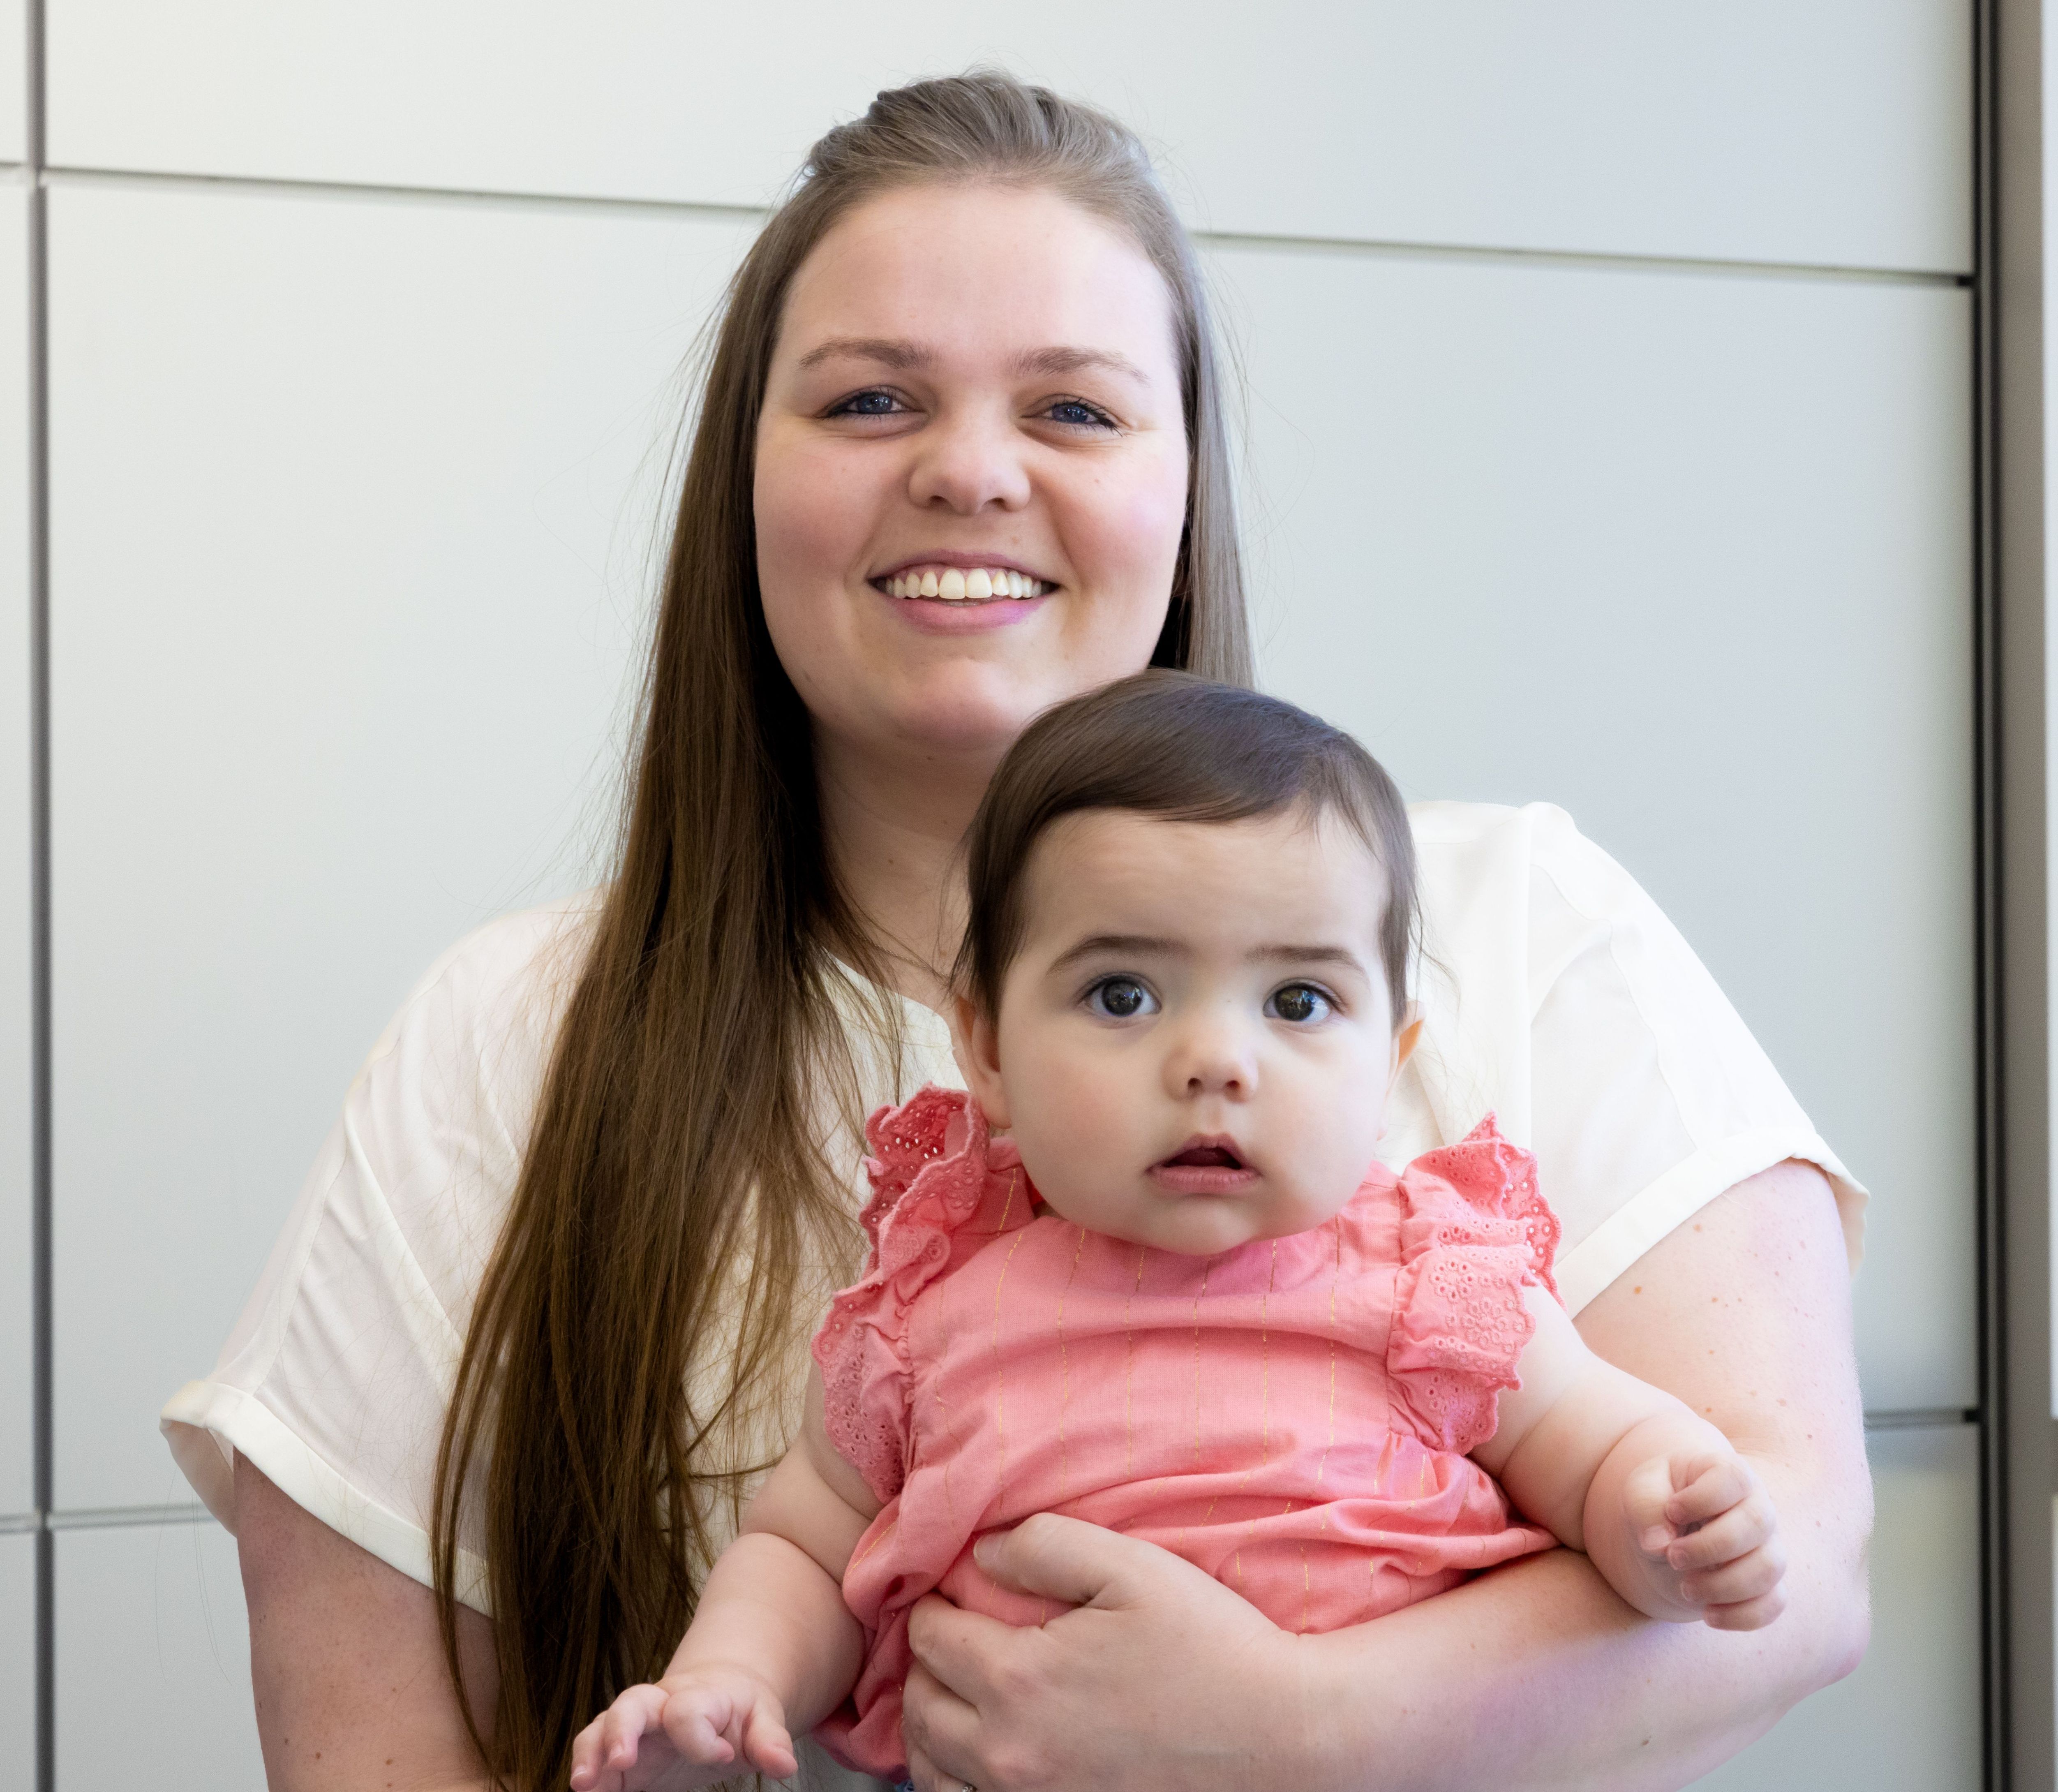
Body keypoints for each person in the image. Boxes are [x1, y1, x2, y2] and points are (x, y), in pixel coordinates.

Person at [161, 72, 1873, 1792]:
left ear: (1184, 479)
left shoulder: (1514, 924)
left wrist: (1292, 1729)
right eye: (871, 399)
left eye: (1071, 411)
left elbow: (1791, 1579)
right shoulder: (510, 1035)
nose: (969, 472)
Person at [568, 674, 1803, 1790]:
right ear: (986, 1048)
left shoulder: (1432, 1280)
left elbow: (1599, 1458)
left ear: (1393, 1060)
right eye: (1124, 994)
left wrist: (1671, 1527)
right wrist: (727, 1686)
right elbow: (803, 1544)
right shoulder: (930, 1308)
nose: (1216, 1059)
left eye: (1299, 1000)